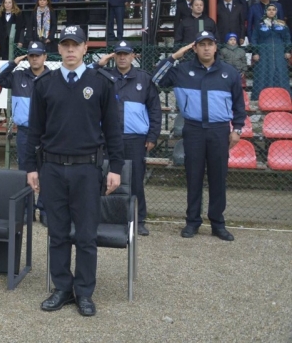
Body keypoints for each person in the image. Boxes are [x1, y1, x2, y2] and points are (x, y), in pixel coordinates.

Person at [24, 26, 124, 317]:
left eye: (75, 45)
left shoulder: (101, 83)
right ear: (59, 49)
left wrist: (115, 167)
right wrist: (31, 167)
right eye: (65, 45)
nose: (70, 50)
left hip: (87, 170)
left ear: (85, 49)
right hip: (52, 168)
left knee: (86, 235)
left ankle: (84, 292)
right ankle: (62, 288)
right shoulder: (45, 84)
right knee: (57, 233)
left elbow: (114, 130)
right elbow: (34, 131)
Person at [153, 31, 245, 241]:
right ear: (194, 48)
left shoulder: (229, 73)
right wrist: (174, 56)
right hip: (193, 129)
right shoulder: (182, 70)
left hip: (219, 131)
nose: (205, 48)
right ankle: (192, 222)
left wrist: (237, 129)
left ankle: (217, 223)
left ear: (215, 47)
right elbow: (155, 78)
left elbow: (239, 105)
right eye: (201, 44)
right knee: (193, 177)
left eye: (209, 44)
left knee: (218, 178)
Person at [93, 42, 161, 236]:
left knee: (136, 181)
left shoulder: (144, 79)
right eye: (119, 54)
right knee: (106, 178)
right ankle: (107, 217)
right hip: (107, 137)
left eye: (126, 54)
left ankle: (138, 220)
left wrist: (153, 135)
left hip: (135, 139)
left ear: (133, 56)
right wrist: (99, 64)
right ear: (114, 56)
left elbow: (154, 109)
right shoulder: (104, 76)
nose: (122, 57)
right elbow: (84, 78)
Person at [0, 40, 51, 224]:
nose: (34, 59)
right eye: (31, 55)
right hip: (25, 131)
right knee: (26, 170)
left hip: (47, 132)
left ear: (45, 57)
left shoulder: (53, 77)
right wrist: (12, 63)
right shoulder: (18, 76)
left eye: (38, 55)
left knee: (47, 170)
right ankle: (28, 209)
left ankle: (45, 209)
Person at [250, 3, 292, 100]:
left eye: (273, 9)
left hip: (279, 54)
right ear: (266, 11)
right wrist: (255, 53)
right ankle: (260, 100)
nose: (271, 11)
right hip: (263, 55)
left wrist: (287, 51)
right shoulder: (259, 25)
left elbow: (287, 38)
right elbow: (254, 39)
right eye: (269, 9)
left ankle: (283, 100)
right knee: (263, 75)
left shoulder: (282, 24)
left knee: (280, 75)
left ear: (276, 11)